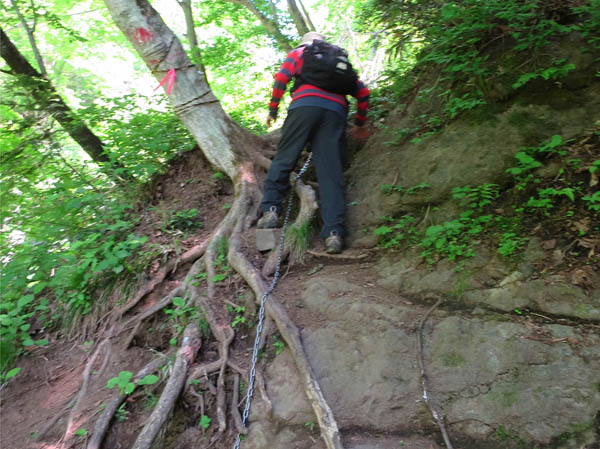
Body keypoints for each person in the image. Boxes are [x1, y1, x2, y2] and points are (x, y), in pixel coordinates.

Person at [257, 31, 370, 254]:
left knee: (284, 158)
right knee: (331, 173)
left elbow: (281, 78)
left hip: (304, 107)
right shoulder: (338, 62)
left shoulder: (300, 52)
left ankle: (271, 210)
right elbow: (363, 92)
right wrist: (359, 123)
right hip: (335, 114)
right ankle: (334, 234)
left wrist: (273, 108)